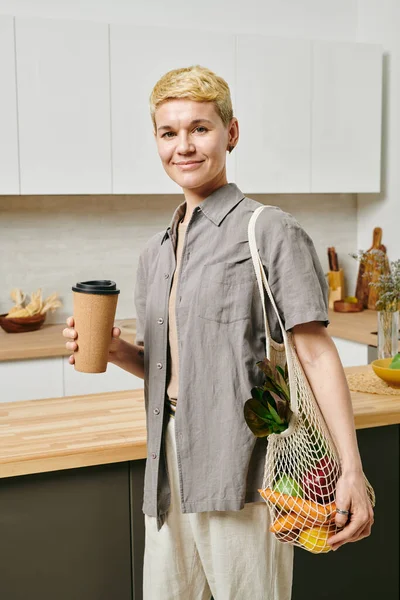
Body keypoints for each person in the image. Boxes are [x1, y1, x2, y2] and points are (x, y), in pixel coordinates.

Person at [63, 65, 374, 600]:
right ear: (157, 142)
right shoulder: (156, 251)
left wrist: (352, 471)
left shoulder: (268, 230)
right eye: (168, 132)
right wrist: (118, 351)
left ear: (230, 133)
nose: (183, 146)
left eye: (199, 128)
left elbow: (316, 354)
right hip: (168, 470)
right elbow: (178, 368)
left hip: (244, 471)